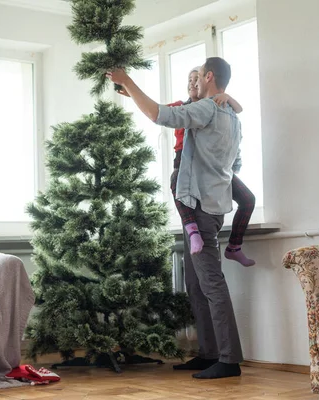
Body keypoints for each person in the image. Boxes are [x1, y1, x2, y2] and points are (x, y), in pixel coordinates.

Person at [107, 57, 243, 379]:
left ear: (209, 77)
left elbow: (161, 115)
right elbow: (236, 164)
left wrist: (126, 80)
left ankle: (229, 359)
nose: (195, 82)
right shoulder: (233, 117)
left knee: (211, 284)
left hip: (199, 208)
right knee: (195, 284)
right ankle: (209, 353)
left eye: (199, 76)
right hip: (208, 205)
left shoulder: (208, 108)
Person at [120, 67, 256, 266]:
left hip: (213, 166)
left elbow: (239, 110)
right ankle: (193, 231)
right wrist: (131, 91)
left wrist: (226, 96)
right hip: (185, 161)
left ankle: (234, 246)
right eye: (189, 79)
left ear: (205, 81)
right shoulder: (182, 107)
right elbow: (156, 110)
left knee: (248, 199)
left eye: (196, 78)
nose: (193, 82)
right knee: (176, 181)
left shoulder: (215, 107)